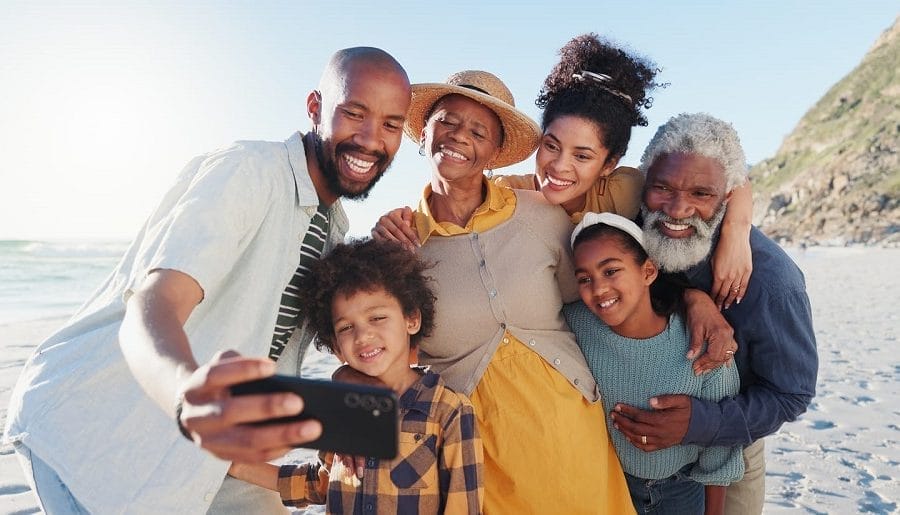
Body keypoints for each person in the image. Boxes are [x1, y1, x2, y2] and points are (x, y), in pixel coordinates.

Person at [2, 47, 412, 513]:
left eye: (390, 124)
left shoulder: (331, 225)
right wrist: (184, 397)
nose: (370, 138)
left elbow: (295, 345)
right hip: (91, 436)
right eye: (354, 113)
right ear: (315, 108)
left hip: (211, 452)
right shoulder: (248, 172)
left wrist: (346, 416)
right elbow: (152, 305)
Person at [377, 69, 636, 513]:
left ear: (495, 153)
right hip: (476, 452)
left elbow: (593, 303)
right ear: (424, 132)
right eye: (448, 121)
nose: (460, 136)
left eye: (479, 131)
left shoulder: (543, 217)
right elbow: (377, 355)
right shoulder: (398, 247)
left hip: (573, 431)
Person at [375, 34, 755, 313]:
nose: (559, 167)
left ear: (609, 163)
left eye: (583, 156)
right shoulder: (512, 195)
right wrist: (397, 220)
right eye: (552, 146)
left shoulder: (625, 189)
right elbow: (452, 205)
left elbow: (716, 184)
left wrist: (737, 234)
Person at [609, 113, 818, 514]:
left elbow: (791, 393)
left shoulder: (772, 283)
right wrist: (691, 295)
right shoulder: (631, 234)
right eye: (662, 188)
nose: (677, 209)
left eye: (701, 195)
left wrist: (697, 423)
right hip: (628, 459)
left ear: (726, 198)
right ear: (645, 181)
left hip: (729, 455)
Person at [228, 238, 483, 514]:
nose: (363, 336)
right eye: (347, 327)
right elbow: (320, 482)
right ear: (336, 347)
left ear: (412, 319)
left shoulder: (449, 413)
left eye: (377, 318)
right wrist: (236, 465)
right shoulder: (339, 408)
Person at [564, 212, 743, 515]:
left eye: (611, 271)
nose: (598, 289)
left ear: (648, 272)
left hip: (682, 488)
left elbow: (721, 448)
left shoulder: (703, 342)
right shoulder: (577, 324)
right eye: (584, 278)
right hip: (610, 484)